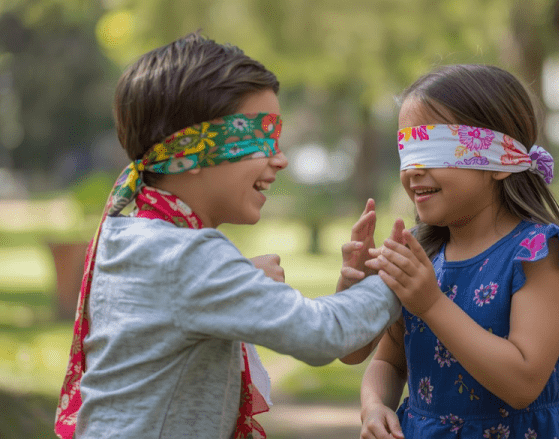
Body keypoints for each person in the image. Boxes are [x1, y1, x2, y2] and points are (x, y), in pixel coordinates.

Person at [54, 32, 400, 439]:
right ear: (190, 152)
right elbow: (323, 335)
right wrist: (400, 279)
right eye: (260, 139)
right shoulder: (188, 259)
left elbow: (170, 299)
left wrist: (240, 276)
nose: (281, 159)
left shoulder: (128, 235)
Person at [357, 64, 559, 438]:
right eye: (408, 148)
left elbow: (522, 383)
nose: (414, 168)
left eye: (434, 148)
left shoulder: (538, 253)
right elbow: (386, 358)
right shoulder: (421, 253)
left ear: (501, 160)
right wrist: (374, 406)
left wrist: (431, 303)